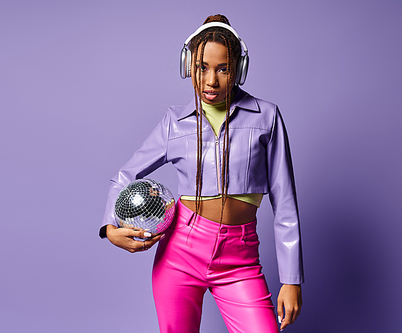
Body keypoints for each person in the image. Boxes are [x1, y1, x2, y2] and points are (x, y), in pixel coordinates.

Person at [99, 14, 304, 333]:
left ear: (238, 69)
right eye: (201, 67)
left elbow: (285, 203)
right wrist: (109, 227)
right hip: (179, 252)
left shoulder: (267, 117)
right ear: (188, 66)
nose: (211, 81)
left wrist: (291, 280)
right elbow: (125, 175)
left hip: (240, 259)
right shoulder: (174, 122)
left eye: (223, 69)